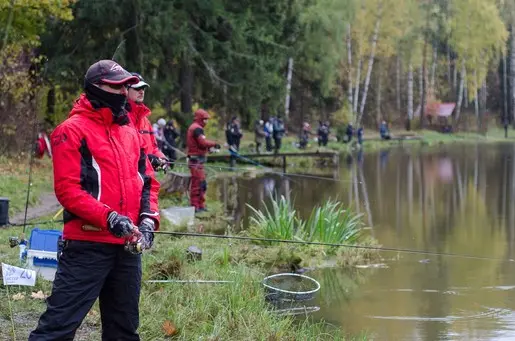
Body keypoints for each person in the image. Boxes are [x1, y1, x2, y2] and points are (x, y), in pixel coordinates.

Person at [29, 60, 160, 340]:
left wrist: (148, 221)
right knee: (57, 329)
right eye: (116, 85)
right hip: (86, 247)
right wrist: (109, 218)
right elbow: (68, 191)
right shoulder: (70, 130)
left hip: (127, 250)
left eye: (126, 85)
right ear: (96, 87)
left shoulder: (130, 132)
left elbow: (147, 181)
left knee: (124, 331)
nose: (124, 91)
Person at [127, 72, 168, 171]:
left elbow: (153, 148)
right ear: (125, 90)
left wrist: (161, 159)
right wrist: (147, 159)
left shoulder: (145, 120)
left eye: (143, 88)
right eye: (137, 88)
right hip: (131, 180)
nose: (141, 91)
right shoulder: (119, 118)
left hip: (148, 180)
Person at [186, 109, 221, 213]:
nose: (206, 121)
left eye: (207, 119)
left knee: (201, 183)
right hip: (195, 161)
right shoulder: (197, 129)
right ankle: (196, 206)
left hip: (197, 161)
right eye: (205, 119)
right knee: (198, 184)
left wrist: (208, 149)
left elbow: (198, 145)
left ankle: (200, 205)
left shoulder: (195, 127)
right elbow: (202, 142)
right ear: (200, 118)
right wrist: (214, 144)